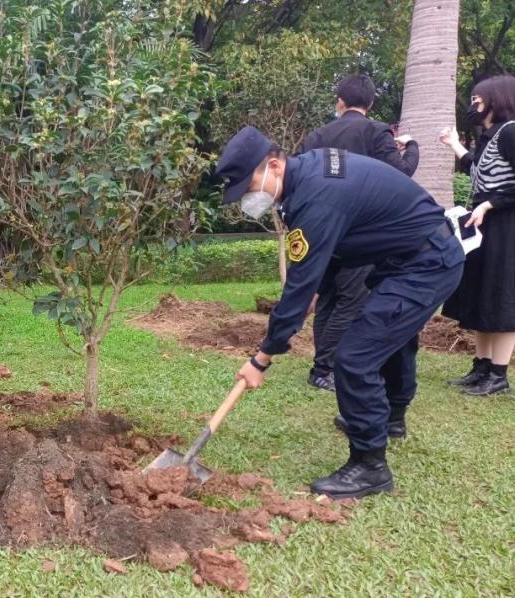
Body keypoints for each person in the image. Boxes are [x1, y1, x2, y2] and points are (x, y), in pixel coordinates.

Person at [216, 127, 464, 499]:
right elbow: (326, 258)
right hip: (408, 258)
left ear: (273, 165)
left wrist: (262, 358)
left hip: (427, 263)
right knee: (390, 341)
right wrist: (315, 286)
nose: (249, 198)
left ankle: (369, 467)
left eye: (248, 186)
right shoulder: (308, 176)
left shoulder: (318, 196)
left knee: (354, 357)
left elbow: (297, 288)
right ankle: (392, 419)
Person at [300, 74, 420, 392]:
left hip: (321, 229)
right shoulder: (376, 131)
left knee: (328, 296)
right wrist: (411, 147)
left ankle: (321, 363)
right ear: (370, 104)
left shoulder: (317, 135)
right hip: (359, 231)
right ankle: (325, 367)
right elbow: (402, 173)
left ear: (340, 102)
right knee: (351, 299)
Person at [440, 74, 515, 396]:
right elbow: (477, 170)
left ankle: (498, 375)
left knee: (501, 299)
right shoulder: (491, 135)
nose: (473, 105)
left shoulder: (511, 132)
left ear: (496, 99)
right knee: (483, 296)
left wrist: (490, 203)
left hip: (505, 226)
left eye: (478, 99)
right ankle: (481, 366)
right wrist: (453, 143)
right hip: (484, 224)